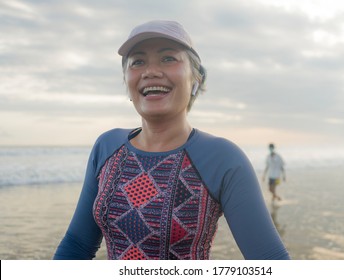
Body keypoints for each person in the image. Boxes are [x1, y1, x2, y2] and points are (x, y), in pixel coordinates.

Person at [54, 20, 289, 260]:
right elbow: (77, 245)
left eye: (168, 58)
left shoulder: (223, 158)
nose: (151, 71)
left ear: (196, 80)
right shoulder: (106, 146)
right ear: (127, 81)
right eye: (138, 62)